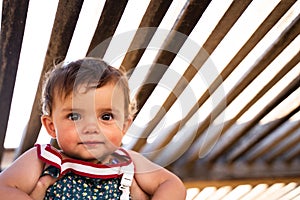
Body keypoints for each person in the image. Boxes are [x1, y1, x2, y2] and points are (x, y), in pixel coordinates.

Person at [0, 57, 186, 200]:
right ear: (51, 126)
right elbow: (3, 188)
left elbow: (172, 184)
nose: (91, 128)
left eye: (106, 117)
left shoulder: (127, 162)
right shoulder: (45, 160)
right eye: (74, 116)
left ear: (124, 126)